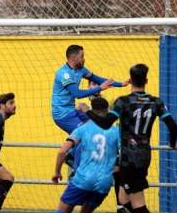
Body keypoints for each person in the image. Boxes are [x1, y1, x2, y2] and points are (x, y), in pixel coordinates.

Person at [84, 64, 177, 213]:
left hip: (130, 158)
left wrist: (86, 111)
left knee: (137, 203)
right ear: (146, 81)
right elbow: (173, 126)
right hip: (143, 155)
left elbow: (105, 124)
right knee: (123, 199)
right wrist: (172, 143)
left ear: (130, 81)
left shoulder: (123, 101)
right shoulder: (156, 102)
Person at [51, 44, 129, 183]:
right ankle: (76, 173)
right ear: (74, 58)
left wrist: (120, 84)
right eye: (82, 56)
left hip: (72, 111)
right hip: (62, 114)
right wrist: (100, 88)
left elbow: (99, 80)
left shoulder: (81, 70)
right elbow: (77, 93)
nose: (84, 59)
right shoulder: (64, 73)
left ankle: (71, 154)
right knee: (86, 135)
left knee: (97, 125)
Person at [49, 97, 121, 213]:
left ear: (91, 111)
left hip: (83, 178)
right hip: (104, 182)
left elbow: (62, 152)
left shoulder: (83, 128)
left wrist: (57, 172)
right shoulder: (116, 132)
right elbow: (126, 155)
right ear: (108, 111)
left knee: (62, 209)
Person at [77, 80, 131, 213]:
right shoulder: (82, 103)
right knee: (87, 171)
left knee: (118, 171)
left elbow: (113, 118)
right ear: (88, 86)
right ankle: (78, 200)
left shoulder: (109, 100)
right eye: (93, 84)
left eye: (97, 84)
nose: (96, 87)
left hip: (107, 140)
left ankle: (120, 205)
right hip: (90, 143)